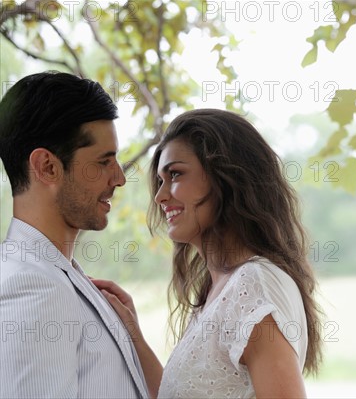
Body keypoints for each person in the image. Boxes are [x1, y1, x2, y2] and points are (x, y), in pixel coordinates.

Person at [94, 108, 323, 398]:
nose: (160, 196)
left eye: (175, 174)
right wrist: (133, 335)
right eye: (161, 181)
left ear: (225, 177)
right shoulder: (221, 290)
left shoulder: (253, 285)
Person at [0, 71, 150, 398]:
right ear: (47, 167)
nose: (120, 178)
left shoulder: (60, 275)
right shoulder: (30, 286)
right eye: (103, 162)